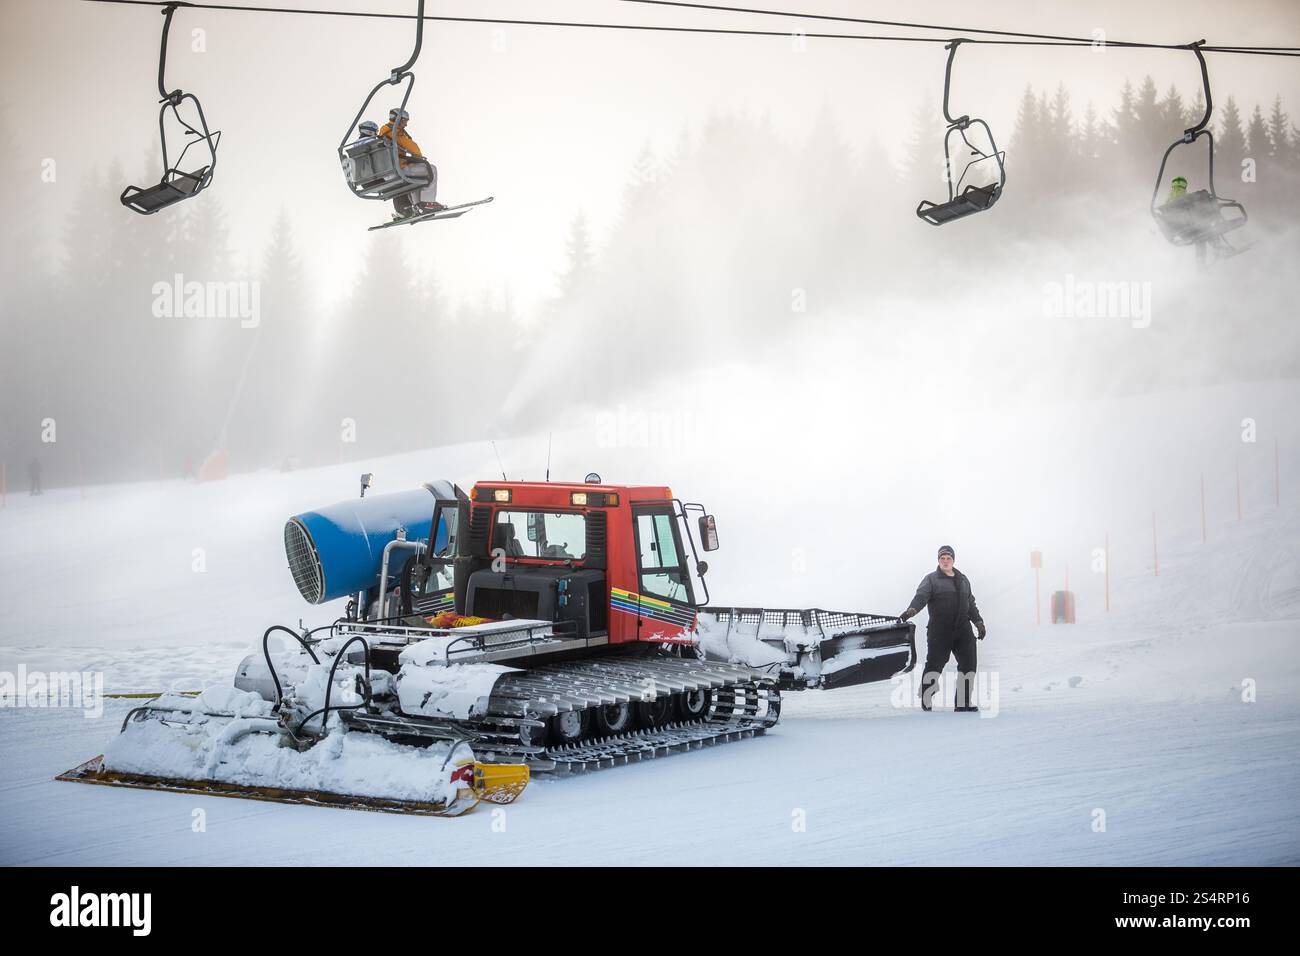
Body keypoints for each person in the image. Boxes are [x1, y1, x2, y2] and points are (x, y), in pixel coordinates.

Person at [899, 545, 986, 712]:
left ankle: (963, 703)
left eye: (948, 558)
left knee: (969, 665)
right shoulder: (931, 579)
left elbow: (971, 604)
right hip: (940, 630)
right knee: (935, 664)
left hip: (962, 629)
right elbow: (921, 597)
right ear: (938, 560)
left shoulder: (963, 579)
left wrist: (979, 623)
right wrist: (911, 610)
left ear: (953, 560)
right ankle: (926, 696)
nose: (945, 561)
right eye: (942, 558)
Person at [376, 108, 444, 219]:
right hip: (399, 169)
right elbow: (415, 150)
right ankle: (428, 203)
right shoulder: (395, 132)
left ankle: (418, 206)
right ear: (398, 120)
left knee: (417, 178)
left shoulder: (384, 133)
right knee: (431, 169)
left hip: (389, 171)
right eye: (405, 121)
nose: (406, 124)